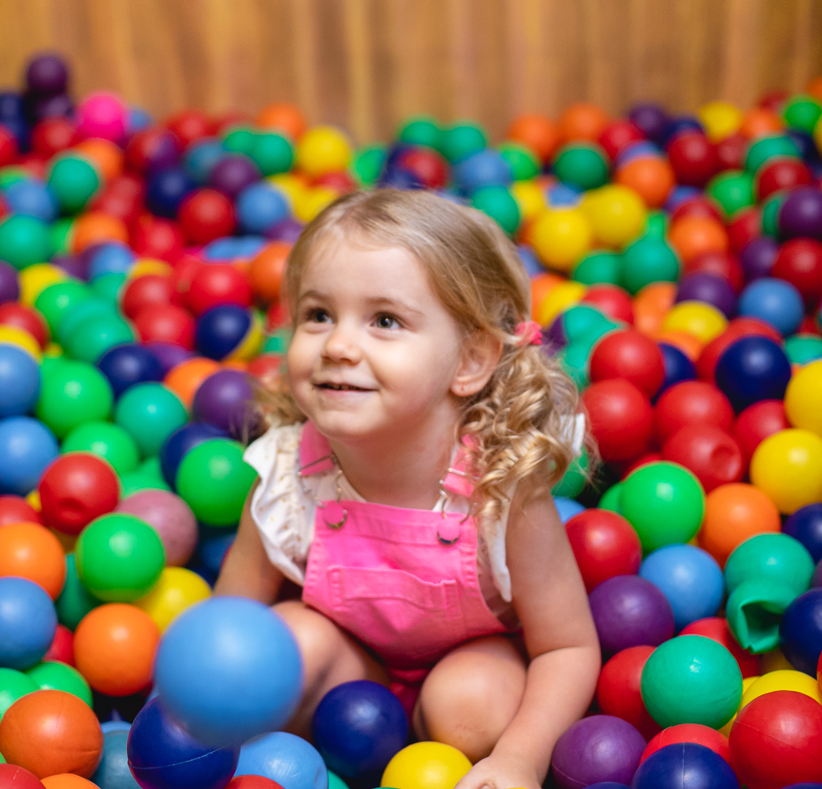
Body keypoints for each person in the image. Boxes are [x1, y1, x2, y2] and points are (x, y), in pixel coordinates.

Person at [216, 188, 600, 789]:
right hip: (350, 674)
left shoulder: (502, 488)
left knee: (471, 704)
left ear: (469, 361)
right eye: (318, 315)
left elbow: (567, 648)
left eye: (385, 321)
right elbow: (226, 626)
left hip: (471, 671)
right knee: (284, 646)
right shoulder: (286, 474)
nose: (338, 346)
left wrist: (518, 759)